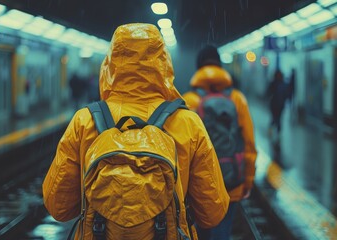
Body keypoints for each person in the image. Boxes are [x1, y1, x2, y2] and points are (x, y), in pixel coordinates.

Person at [43, 23, 229, 239]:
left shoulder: (84, 121)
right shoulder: (188, 122)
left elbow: (59, 207)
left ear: (110, 64)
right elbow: (212, 213)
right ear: (164, 64)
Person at [183, 45, 257, 240]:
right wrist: (248, 179)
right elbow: (249, 143)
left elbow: (181, 148)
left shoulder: (188, 101)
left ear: (198, 68)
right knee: (222, 232)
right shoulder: (237, 99)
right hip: (231, 179)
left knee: (199, 231)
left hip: (198, 183)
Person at [266, 69, 289, 136]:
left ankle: (272, 130)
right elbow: (286, 95)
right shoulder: (283, 84)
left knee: (275, 118)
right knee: (278, 118)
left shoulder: (273, 83)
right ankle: (277, 133)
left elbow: (268, 93)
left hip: (274, 104)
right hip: (280, 105)